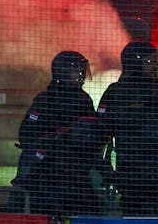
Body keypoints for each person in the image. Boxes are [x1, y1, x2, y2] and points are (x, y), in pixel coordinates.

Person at [97, 41, 158, 216]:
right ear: (136, 63)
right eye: (149, 62)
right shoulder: (117, 92)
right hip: (135, 174)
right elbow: (99, 134)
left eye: (154, 61)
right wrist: (107, 171)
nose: (155, 65)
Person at [12, 51, 104, 216]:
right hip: (48, 174)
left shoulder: (83, 99)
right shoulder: (46, 99)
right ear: (63, 72)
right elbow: (27, 134)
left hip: (76, 171)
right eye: (77, 70)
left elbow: (92, 133)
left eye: (82, 70)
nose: (81, 75)